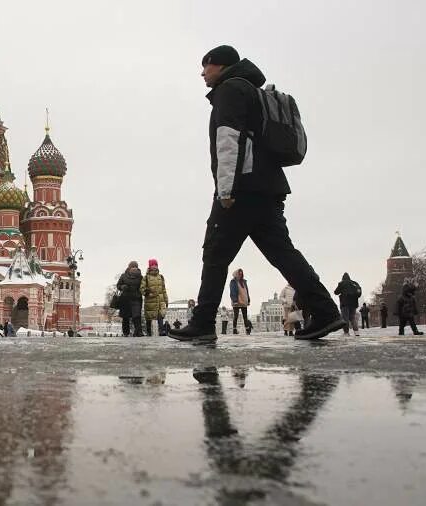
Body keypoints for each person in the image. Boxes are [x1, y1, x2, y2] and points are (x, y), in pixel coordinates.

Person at [169, 45, 344, 342]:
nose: (202, 72)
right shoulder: (255, 92)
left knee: (215, 253)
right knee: (283, 254)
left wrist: (225, 189)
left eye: (206, 66)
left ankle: (202, 323)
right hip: (269, 187)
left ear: (220, 65)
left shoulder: (230, 91)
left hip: (241, 190)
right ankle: (326, 311)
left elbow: (229, 140)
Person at [140, 259, 168, 336]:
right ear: (150, 266)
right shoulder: (146, 277)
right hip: (150, 300)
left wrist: (166, 300)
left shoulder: (161, 277)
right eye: (153, 265)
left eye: (156, 265)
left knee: (161, 315)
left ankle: (161, 331)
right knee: (149, 317)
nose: (154, 266)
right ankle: (149, 331)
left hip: (160, 300)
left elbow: (164, 289)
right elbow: (142, 288)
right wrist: (147, 292)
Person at [116, 261, 143, 337]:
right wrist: (122, 287)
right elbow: (118, 285)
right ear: (129, 267)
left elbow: (143, 286)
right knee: (125, 317)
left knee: (136, 316)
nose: (134, 268)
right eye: (132, 267)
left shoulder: (140, 277)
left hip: (136, 298)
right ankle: (126, 332)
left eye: (135, 267)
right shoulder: (123, 276)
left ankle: (138, 332)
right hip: (125, 298)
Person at [229, 269, 250, 334]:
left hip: (244, 301)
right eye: (239, 274)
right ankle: (234, 330)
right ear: (236, 274)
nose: (240, 275)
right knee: (236, 316)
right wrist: (234, 300)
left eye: (241, 274)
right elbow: (232, 291)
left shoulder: (244, 281)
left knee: (245, 316)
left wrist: (248, 300)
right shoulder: (233, 282)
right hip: (237, 301)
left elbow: (246, 291)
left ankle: (247, 330)